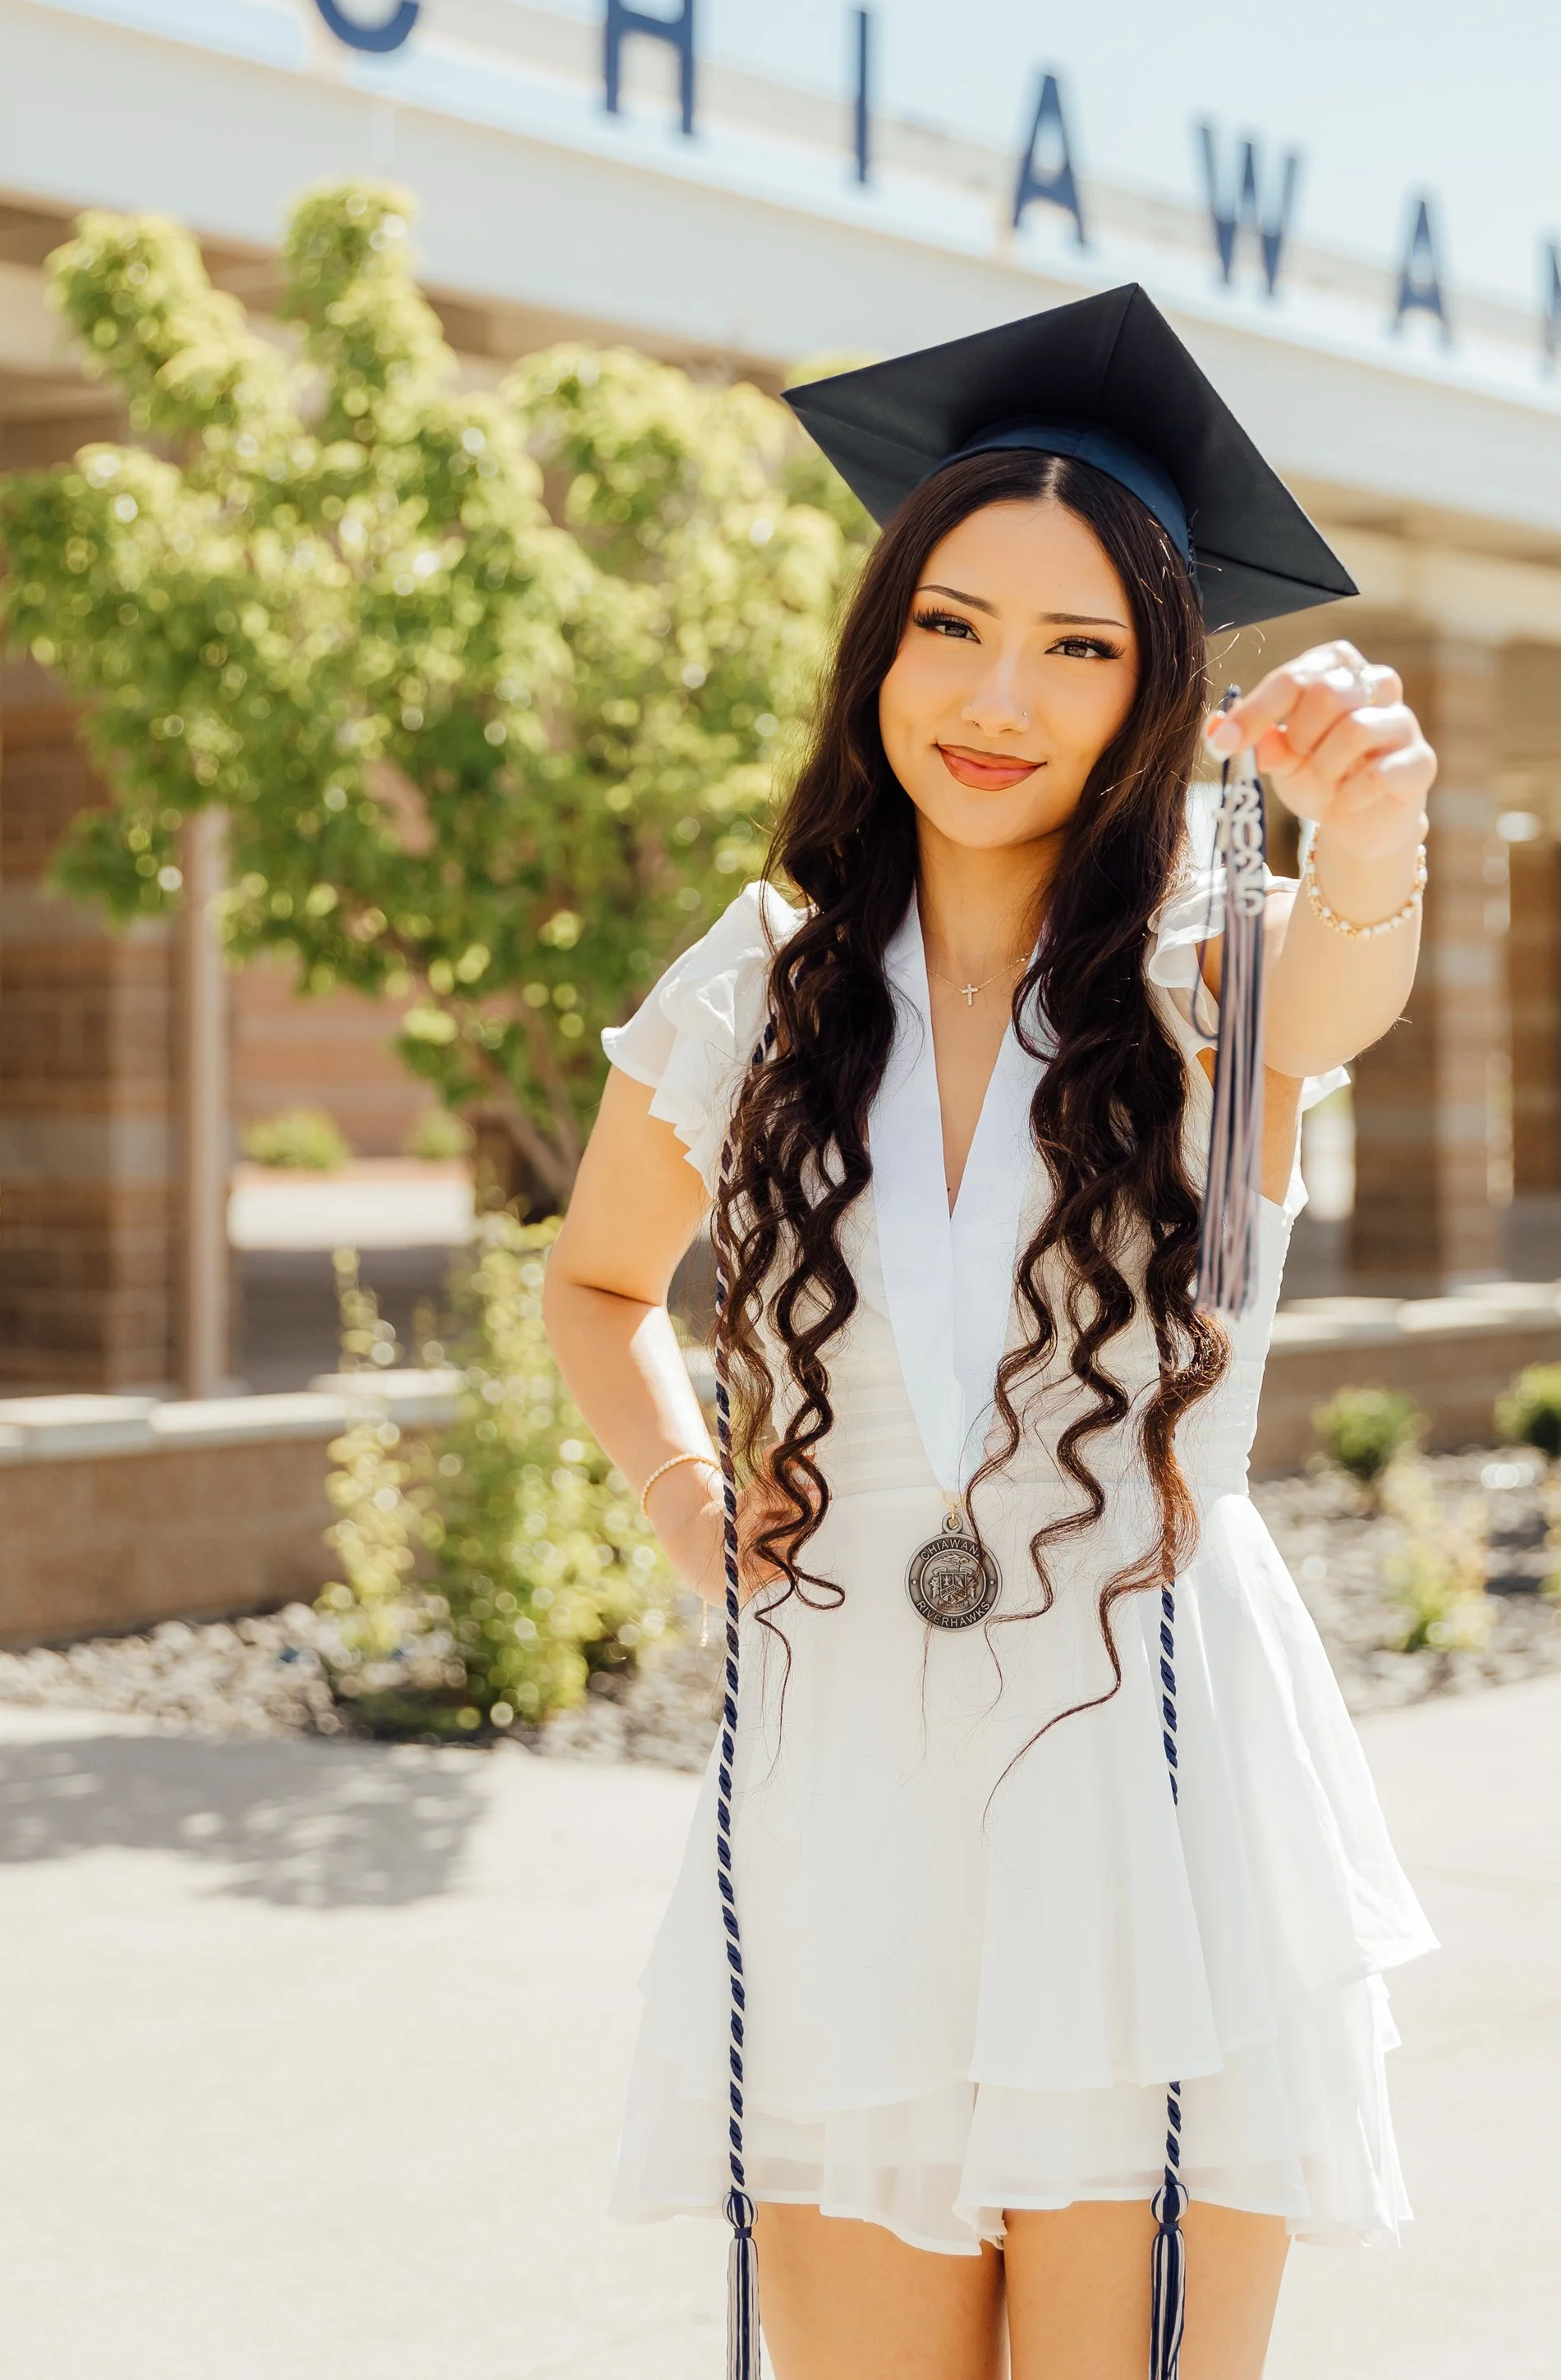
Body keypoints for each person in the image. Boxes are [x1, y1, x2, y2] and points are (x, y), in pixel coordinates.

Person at [544, 285, 1439, 2380]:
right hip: (843, 1748)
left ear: (1154, 692)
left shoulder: (1211, 966)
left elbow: (1344, 989)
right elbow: (595, 1284)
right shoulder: (757, 983)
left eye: (1077, 646)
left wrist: (1374, 826)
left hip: (1150, 1773)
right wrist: (691, 1508)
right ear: (878, 645)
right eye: (949, 624)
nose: (994, 695)